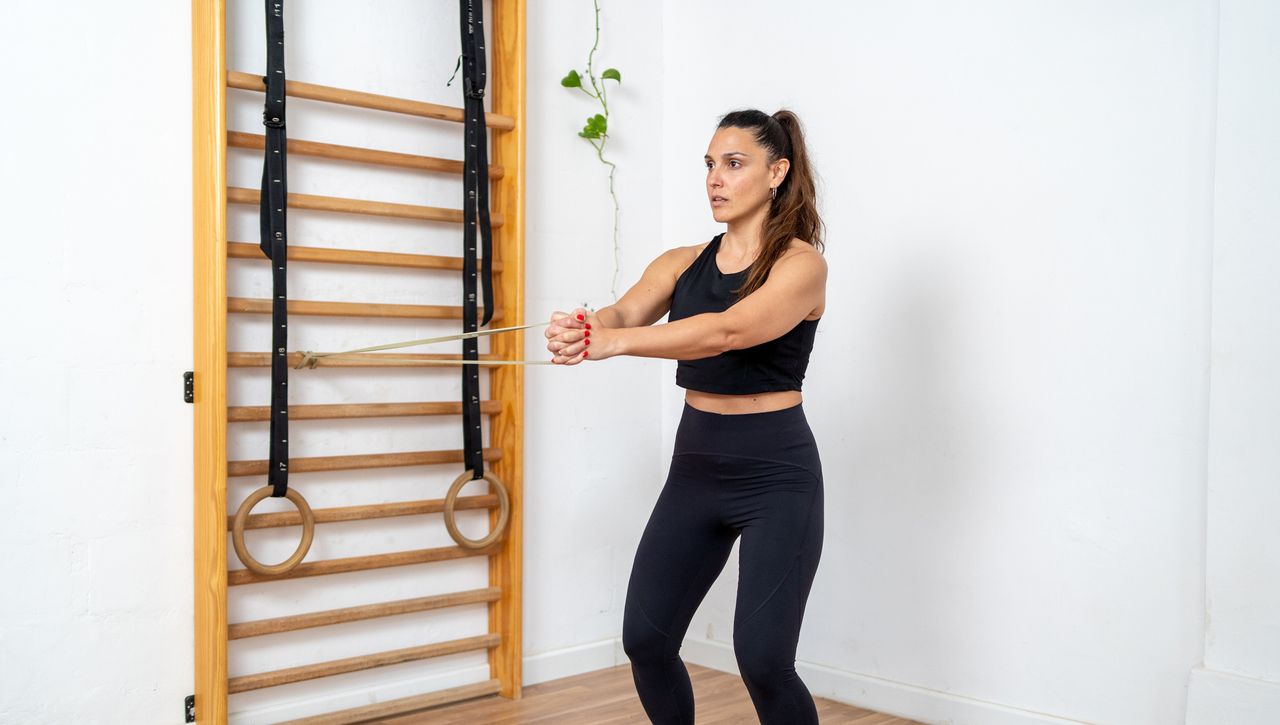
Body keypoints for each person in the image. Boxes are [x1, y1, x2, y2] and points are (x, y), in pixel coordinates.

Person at [546, 108, 827, 724]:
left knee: (762, 660)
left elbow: (728, 331)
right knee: (645, 642)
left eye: (734, 164)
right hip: (696, 466)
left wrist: (612, 345)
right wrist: (586, 329)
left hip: (775, 473)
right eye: (709, 165)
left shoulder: (801, 266)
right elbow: (622, 315)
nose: (715, 180)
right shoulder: (682, 262)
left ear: (777, 172)